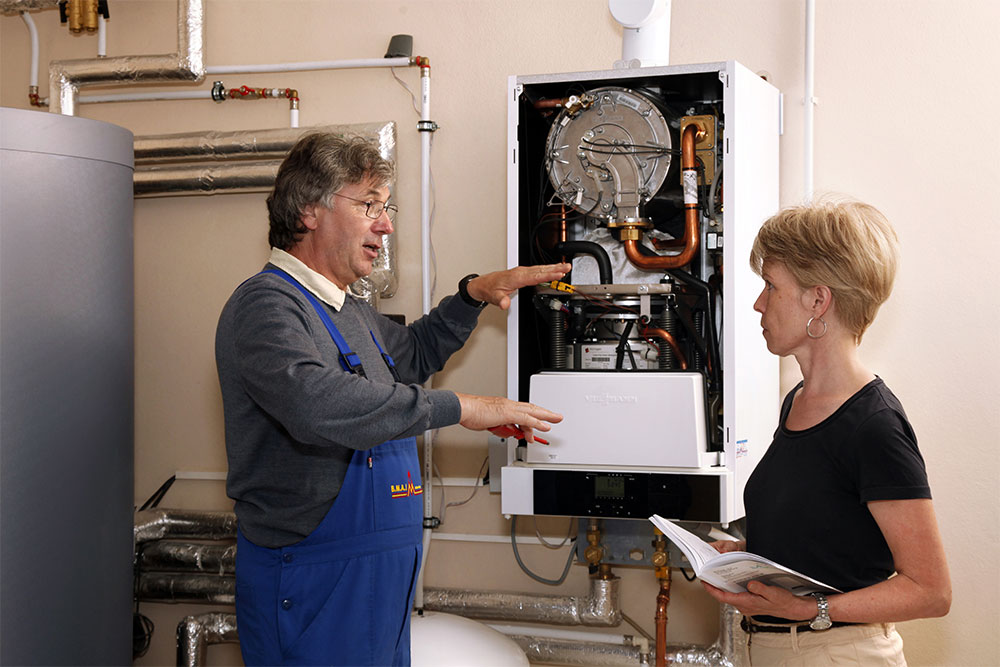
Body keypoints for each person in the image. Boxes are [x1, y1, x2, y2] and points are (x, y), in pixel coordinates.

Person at [215, 132, 569, 666]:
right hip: (311, 582)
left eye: (387, 208)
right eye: (369, 206)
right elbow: (318, 405)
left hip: (376, 587)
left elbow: (414, 353)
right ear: (310, 210)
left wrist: (472, 295)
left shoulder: (348, 309)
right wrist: (462, 408)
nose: (385, 224)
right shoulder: (266, 305)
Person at [701, 199, 951, 665]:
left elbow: (931, 591)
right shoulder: (796, 402)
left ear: (818, 300)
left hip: (836, 653)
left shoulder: (874, 425)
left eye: (770, 286)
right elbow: (829, 538)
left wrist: (807, 608)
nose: (758, 303)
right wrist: (748, 555)